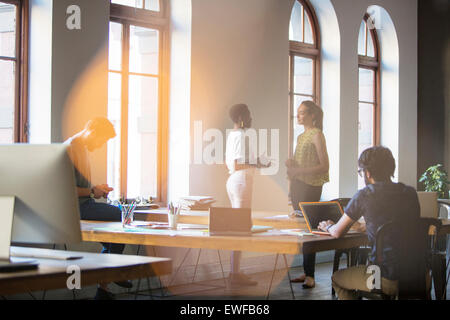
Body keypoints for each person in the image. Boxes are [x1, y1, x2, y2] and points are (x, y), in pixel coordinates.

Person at [317, 146, 422, 299]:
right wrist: (368, 226)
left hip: (383, 277)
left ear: (367, 172)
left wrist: (328, 226)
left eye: (361, 172)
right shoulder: (410, 193)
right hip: (417, 273)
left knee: (337, 278)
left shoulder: (365, 195)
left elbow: (337, 232)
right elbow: (404, 225)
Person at [65, 117, 131, 299]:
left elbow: (80, 186)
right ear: (92, 133)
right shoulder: (70, 149)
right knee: (122, 216)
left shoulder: (80, 148)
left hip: (85, 204)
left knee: (114, 238)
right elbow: (64, 189)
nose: (102, 145)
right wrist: (93, 191)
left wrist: (96, 189)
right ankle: (108, 277)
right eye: (102, 140)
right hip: (74, 209)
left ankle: (104, 287)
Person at [285, 100, 329, 288]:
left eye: (302, 112)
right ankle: (306, 272)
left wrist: (299, 171)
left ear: (312, 115)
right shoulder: (301, 136)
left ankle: (310, 275)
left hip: (311, 186)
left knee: (309, 230)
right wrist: (292, 167)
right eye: (298, 112)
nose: (299, 115)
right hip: (297, 185)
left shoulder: (317, 135)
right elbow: (299, 167)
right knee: (302, 230)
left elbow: (324, 166)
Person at [225, 103, 270, 287]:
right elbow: (238, 165)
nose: (251, 118)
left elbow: (238, 162)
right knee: (241, 227)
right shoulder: (242, 136)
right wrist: (258, 164)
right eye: (249, 115)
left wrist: (256, 162)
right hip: (241, 181)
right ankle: (234, 273)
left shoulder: (233, 135)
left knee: (241, 226)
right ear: (242, 118)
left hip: (235, 181)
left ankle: (235, 271)